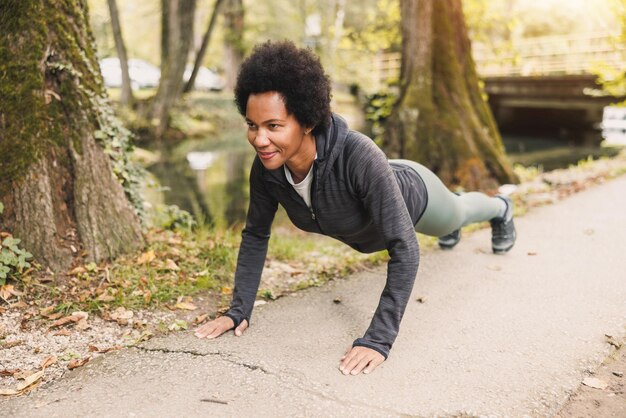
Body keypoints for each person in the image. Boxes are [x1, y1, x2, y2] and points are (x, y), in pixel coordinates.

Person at [194, 41, 516, 376]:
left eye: (273, 126)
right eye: (252, 125)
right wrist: (238, 310)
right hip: (381, 183)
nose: (260, 139)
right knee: (451, 224)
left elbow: (405, 247)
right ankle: (457, 224)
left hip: (416, 195)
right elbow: (256, 234)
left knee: (458, 213)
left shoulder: (358, 155)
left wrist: (379, 338)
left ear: (306, 120)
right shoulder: (267, 170)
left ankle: (501, 207)